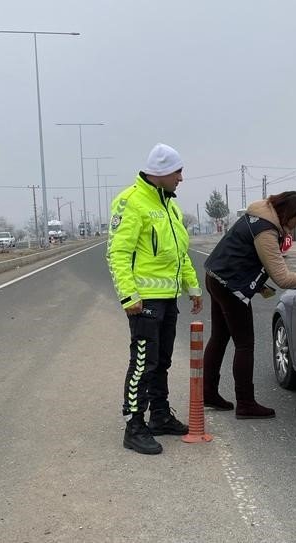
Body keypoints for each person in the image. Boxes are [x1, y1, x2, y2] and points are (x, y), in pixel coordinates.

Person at [202, 191, 296, 419]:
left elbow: (245, 256)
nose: (294, 228)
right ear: (291, 214)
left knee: (219, 337)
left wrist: (258, 284)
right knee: (244, 345)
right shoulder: (266, 230)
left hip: (216, 277)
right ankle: (245, 403)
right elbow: (283, 278)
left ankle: (209, 393)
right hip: (231, 286)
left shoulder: (256, 216)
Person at [106, 143, 203, 455]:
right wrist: (128, 296)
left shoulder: (169, 206)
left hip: (167, 297)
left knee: (162, 361)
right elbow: (117, 253)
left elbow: (179, 252)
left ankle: (159, 416)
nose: (182, 178)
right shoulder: (131, 202)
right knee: (143, 364)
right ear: (161, 173)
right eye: (178, 172)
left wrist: (193, 286)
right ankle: (134, 426)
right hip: (144, 300)